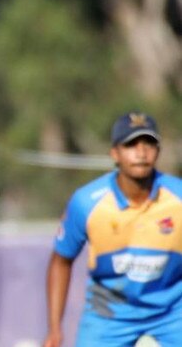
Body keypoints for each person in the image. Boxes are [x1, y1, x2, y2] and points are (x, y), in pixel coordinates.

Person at [43, 112, 182, 347]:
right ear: (114, 153)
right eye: (131, 144)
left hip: (173, 312)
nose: (141, 152)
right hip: (108, 313)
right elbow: (61, 261)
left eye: (149, 143)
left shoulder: (178, 197)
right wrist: (55, 329)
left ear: (158, 151)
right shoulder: (87, 202)